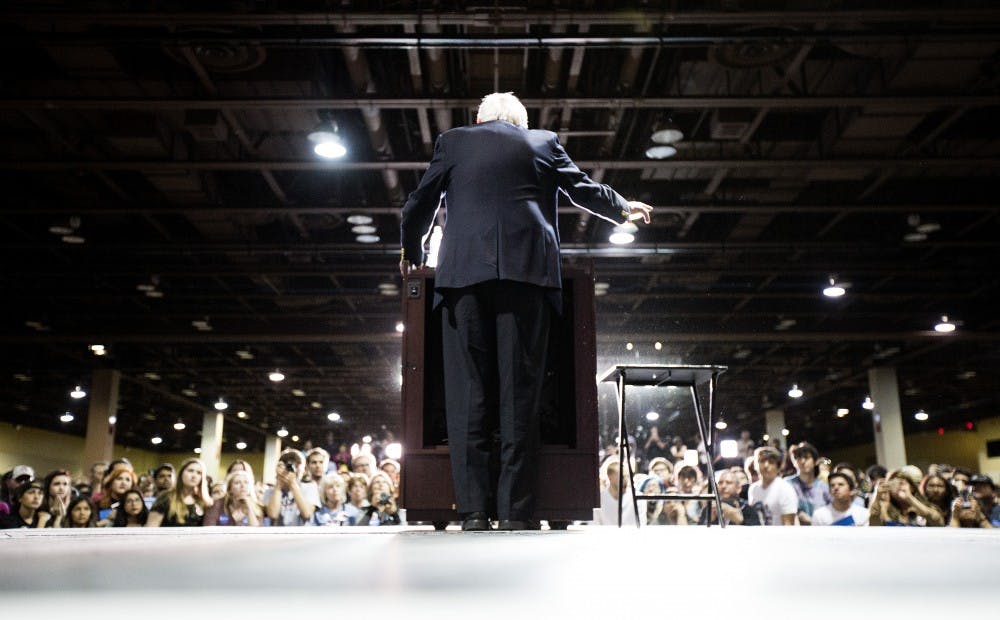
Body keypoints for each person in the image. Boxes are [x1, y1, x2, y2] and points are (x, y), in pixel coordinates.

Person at [400, 91, 653, 531]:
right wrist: (621, 208)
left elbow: (420, 202)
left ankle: (475, 512)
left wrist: (412, 248)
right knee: (519, 396)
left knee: (468, 396)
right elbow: (581, 189)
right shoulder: (542, 142)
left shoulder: (453, 142)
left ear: (479, 119)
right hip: (526, 276)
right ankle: (516, 512)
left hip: (464, 279)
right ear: (520, 121)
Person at [146, 458, 211, 527]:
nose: (194, 476)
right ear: (181, 473)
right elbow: (151, 528)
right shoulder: (165, 497)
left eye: (199, 473)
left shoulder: (203, 501)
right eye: (190, 471)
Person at [264, 449, 319, 526]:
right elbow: (273, 515)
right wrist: (279, 484)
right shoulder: (270, 491)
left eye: (297, 466)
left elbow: (307, 514)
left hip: (301, 536)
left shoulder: (310, 488)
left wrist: (292, 484)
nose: (295, 470)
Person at [784, 441, 831, 526]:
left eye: (806, 457)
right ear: (794, 462)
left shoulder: (825, 487)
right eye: (798, 458)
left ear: (816, 461)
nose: (802, 461)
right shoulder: (787, 484)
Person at [747, 446, 797, 525]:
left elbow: (789, 525)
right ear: (756, 465)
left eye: (771, 462)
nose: (766, 465)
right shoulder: (753, 489)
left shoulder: (785, 489)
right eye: (762, 461)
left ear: (778, 467)